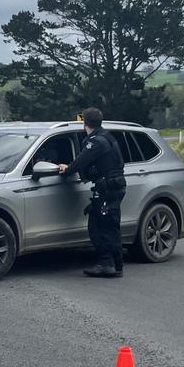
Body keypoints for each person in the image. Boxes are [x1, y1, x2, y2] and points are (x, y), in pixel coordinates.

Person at [57, 108, 126, 278]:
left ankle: (106, 264)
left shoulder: (95, 142)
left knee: (99, 228)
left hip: (106, 188)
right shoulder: (108, 137)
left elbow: (80, 161)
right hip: (113, 186)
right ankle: (116, 264)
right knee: (111, 226)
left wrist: (67, 168)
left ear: (84, 122)